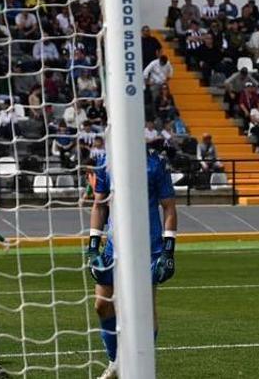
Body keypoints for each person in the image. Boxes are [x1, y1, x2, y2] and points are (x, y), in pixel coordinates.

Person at [86, 148, 177, 379]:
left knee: (144, 310)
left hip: (149, 248)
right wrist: (93, 246)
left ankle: (140, 366)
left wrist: (168, 251)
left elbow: (168, 207)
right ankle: (116, 361)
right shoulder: (105, 161)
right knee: (101, 305)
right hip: (113, 247)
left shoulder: (156, 163)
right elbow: (99, 205)